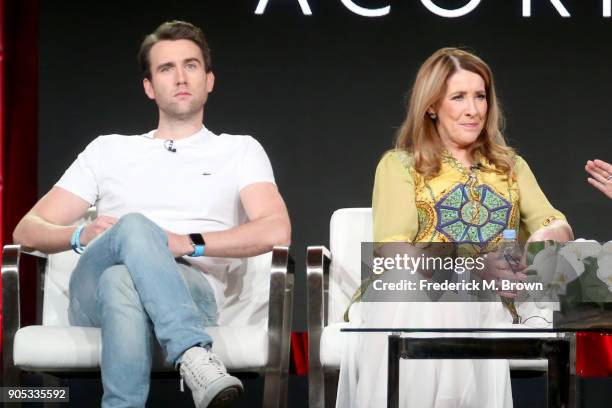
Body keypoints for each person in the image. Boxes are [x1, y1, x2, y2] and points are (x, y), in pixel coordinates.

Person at [12, 21, 291, 408]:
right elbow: (27, 230)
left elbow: (276, 228)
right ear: (149, 87)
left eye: (191, 66)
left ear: (209, 80)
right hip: (91, 298)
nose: (180, 77)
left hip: (192, 291)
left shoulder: (240, 150)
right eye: (166, 68)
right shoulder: (108, 150)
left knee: (121, 279)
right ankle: (193, 353)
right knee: (134, 228)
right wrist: (80, 236)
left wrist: (186, 243)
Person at [335, 48, 573, 407]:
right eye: (459, 97)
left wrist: (540, 240)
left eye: (480, 96)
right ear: (431, 105)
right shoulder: (401, 164)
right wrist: (471, 268)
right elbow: (394, 249)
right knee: (444, 289)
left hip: (492, 300)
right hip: (408, 292)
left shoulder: (509, 167)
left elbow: (558, 225)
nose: (473, 109)